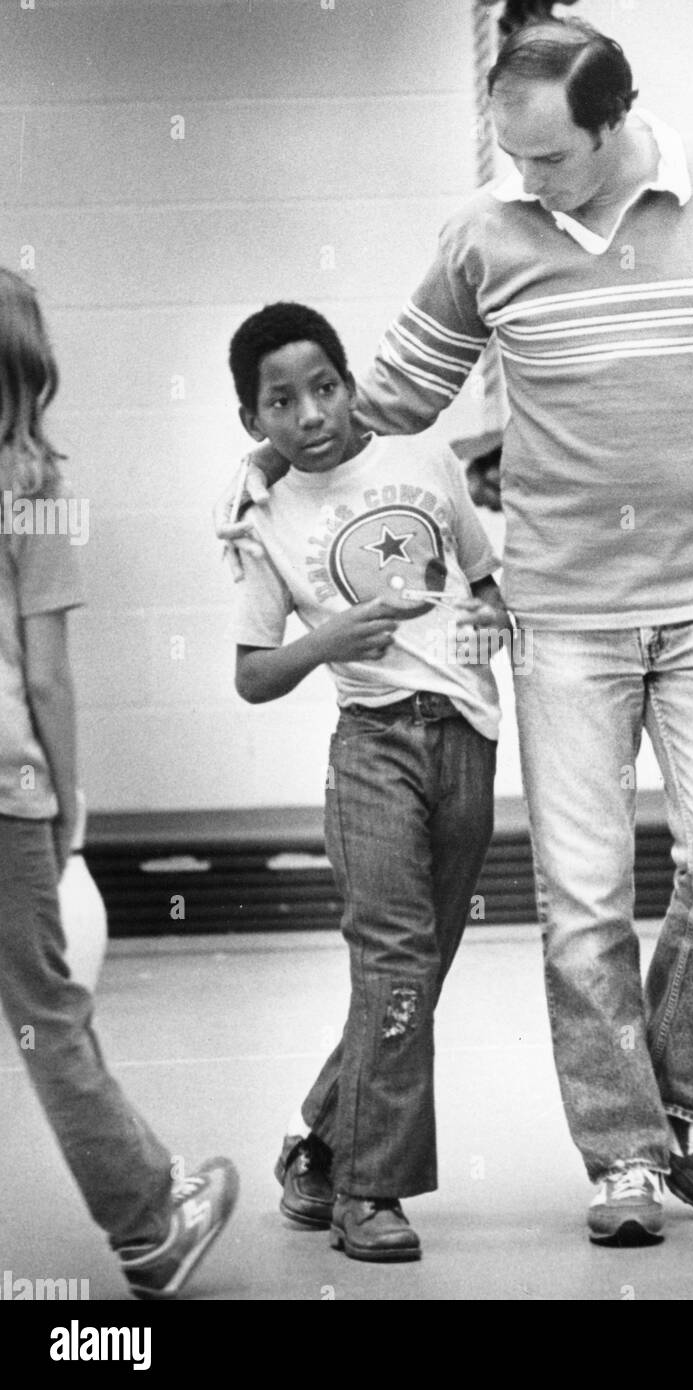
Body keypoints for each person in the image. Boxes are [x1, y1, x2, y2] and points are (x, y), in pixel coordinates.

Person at [220, 14, 693, 1245]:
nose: (527, 180)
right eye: (510, 157)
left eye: (549, 158)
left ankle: (683, 1101)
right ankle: (621, 1157)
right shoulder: (483, 237)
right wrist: (263, 463)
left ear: (614, 122)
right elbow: (387, 394)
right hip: (560, 608)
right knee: (583, 900)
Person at [228, 302, 507, 1262]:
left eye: (324, 387)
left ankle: (318, 1140)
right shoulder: (262, 521)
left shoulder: (423, 462)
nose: (309, 414)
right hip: (372, 748)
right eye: (281, 401)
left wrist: (490, 644)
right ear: (253, 423)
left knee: (415, 973)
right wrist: (327, 642)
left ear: (350, 386)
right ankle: (368, 1192)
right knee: (393, 961)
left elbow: (485, 581)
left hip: (467, 740)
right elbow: (252, 673)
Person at [0, 267, 238, 1300]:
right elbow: (44, 672)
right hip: (5, 786)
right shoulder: (36, 490)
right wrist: (69, 802)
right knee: (48, 1014)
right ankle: (150, 1223)